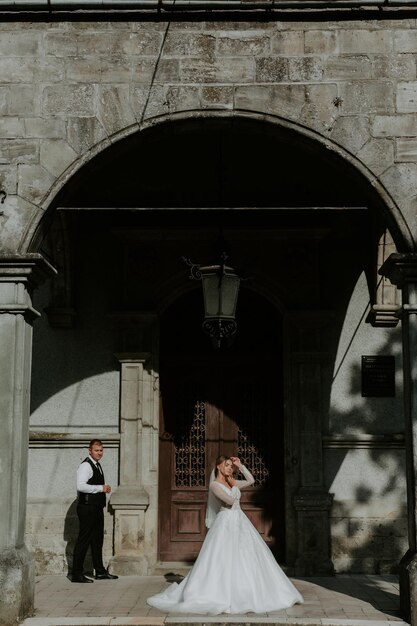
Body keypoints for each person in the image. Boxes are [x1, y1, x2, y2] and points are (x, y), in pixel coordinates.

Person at [147, 455, 303, 614]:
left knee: (247, 555)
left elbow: (251, 480)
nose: (230, 468)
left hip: (240, 521)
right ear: (219, 467)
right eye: (227, 465)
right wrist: (235, 486)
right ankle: (221, 593)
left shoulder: (232, 482)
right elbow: (229, 501)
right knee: (223, 557)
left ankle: (251, 591)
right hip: (225, 522)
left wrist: (240, 466)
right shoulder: (215, 485)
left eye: (230, 466)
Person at [71, 439, 119, 583]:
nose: (99, 453)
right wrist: (100, 488)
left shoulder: (97, 465)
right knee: (84, 540)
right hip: (87, 508)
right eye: (96, 450)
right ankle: (76, 574)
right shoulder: (86, 465)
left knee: (97, 540)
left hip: (96, 508)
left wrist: (103, 487)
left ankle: (100, 571)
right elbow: (80, 486)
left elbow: (92, 484)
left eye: (101, 450)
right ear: (90, 451)